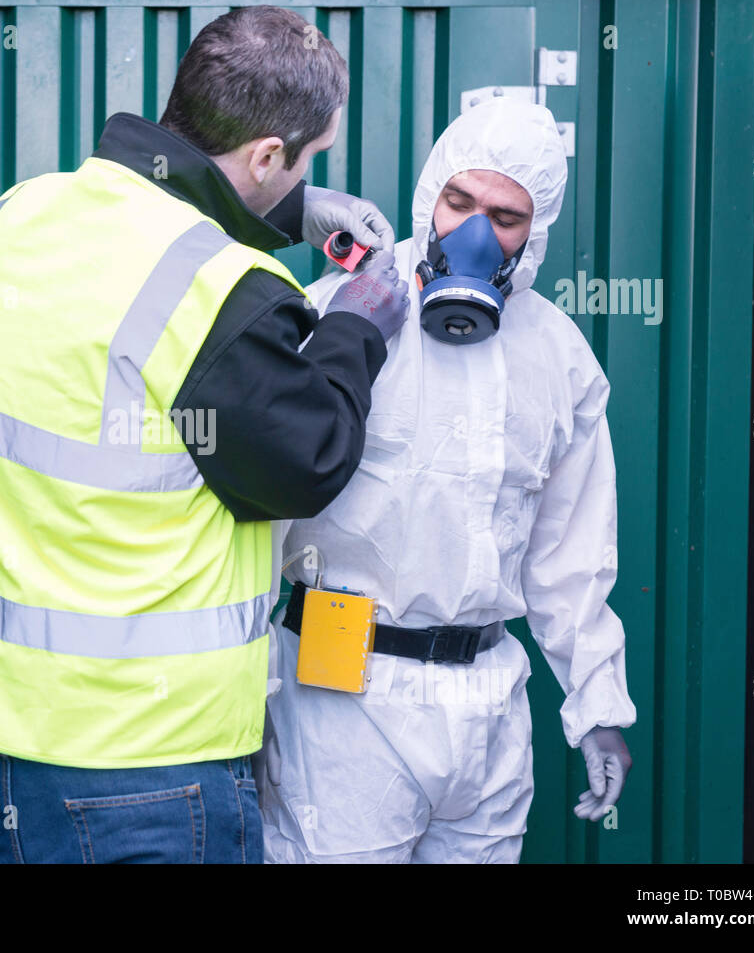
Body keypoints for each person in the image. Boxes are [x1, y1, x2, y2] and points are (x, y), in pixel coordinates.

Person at [0, 5, 408, 863]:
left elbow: (123, 259)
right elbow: (308, 459)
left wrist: (285, 207)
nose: (306, 171)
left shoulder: (14, 219)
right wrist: (360, 328)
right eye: (305, 159)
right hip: (144, 779)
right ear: (267, 153)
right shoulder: (218, 293)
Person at [253, 98, 636, 863]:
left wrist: (597, 704)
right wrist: (236, 705)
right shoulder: (343, 313)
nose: (472, 233)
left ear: (536, 231)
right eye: (458, 203)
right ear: (431, 195)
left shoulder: (558, 358)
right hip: (340, 703)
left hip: (489, 706)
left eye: (504, 216)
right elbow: (264, 521)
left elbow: (571, 555)